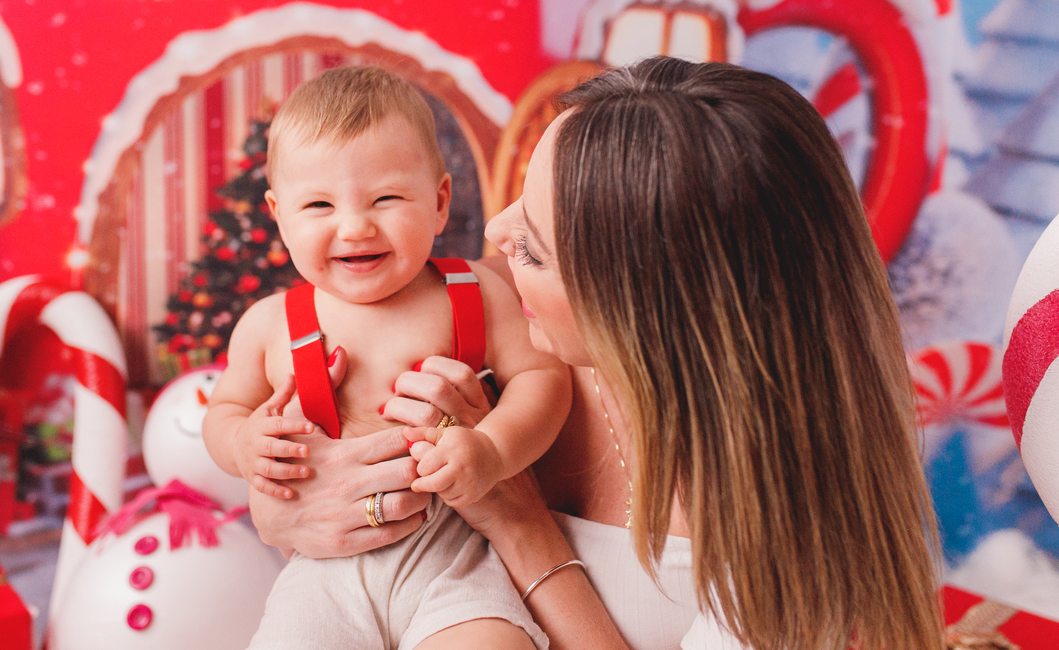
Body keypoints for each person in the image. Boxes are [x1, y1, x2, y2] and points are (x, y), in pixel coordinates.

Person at [248, 57, 946, 650]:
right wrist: (286, 509)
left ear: (639, 305)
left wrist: (521, 526)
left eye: (535, 248)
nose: (492, 232)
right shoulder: (480, 322)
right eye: (520, 203)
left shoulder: (795, 529)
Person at [203, 65, 570, 650]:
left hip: (457, 558)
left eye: (387, 197)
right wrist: (242, 443)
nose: (354, 227)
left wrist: (493, 449)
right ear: (278, 216)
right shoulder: (270, 325)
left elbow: (542, 379)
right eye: (319, 205)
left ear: (440, 201)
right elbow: (224, 409)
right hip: (324, 571)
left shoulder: (472, 294)